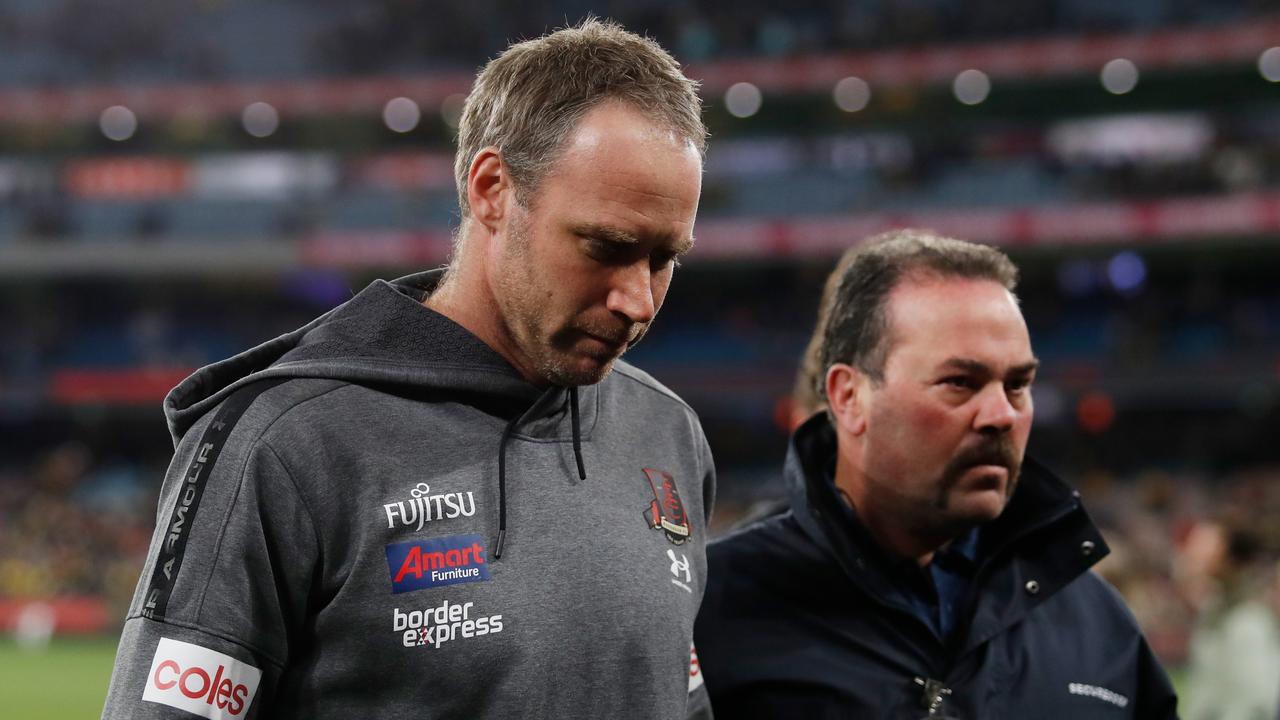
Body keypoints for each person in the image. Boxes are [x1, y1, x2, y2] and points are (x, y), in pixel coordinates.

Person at [103, 19, 715, 719]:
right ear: (492, 190)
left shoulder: (670, 434)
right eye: (605, 246)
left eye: (665, 259)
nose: (637, 301)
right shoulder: (284, 447)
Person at [694, 230, 1178, 718]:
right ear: (849, 397)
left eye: (1018, 384)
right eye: (960, 383)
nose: (1001, 415)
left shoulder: (1099, 625)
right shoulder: (711, 611)